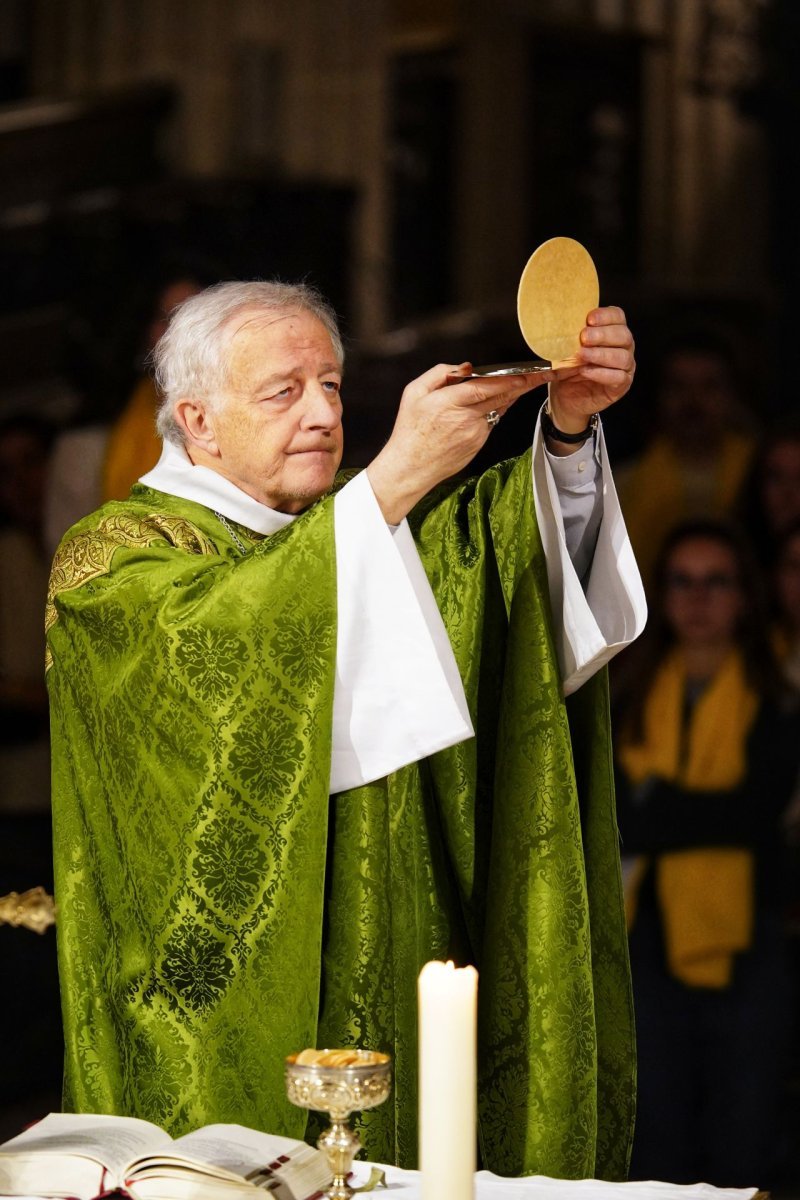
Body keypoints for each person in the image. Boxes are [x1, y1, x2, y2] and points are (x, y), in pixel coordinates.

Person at [46, 280, 644, 1178]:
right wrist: (394, 479)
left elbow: (491, 568)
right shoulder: (117, 555)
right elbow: (215, 653)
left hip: (392, 967)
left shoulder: (369, 529)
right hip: (205, 1018)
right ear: (198, 422)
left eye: (331, 385)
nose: (323, 412)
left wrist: (560, 435)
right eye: (284, 392)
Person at [614, 519, 799, 1187]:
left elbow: (753, 815)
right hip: (646, 939)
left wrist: (656, 808)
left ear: (744, 595)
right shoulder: (629, 689)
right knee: (656, 1140)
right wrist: (685, 815)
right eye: (682, 582)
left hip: (749, 938)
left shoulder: (778, 695)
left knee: (740, 1140)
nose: (698, 598)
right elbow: (616, 820)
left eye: (716, 582)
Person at [616, 330, 754, 589]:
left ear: (733, 396)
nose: (693, 401)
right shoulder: (621, 486)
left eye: (709, 386)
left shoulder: (766, 473)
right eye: (678, 386)